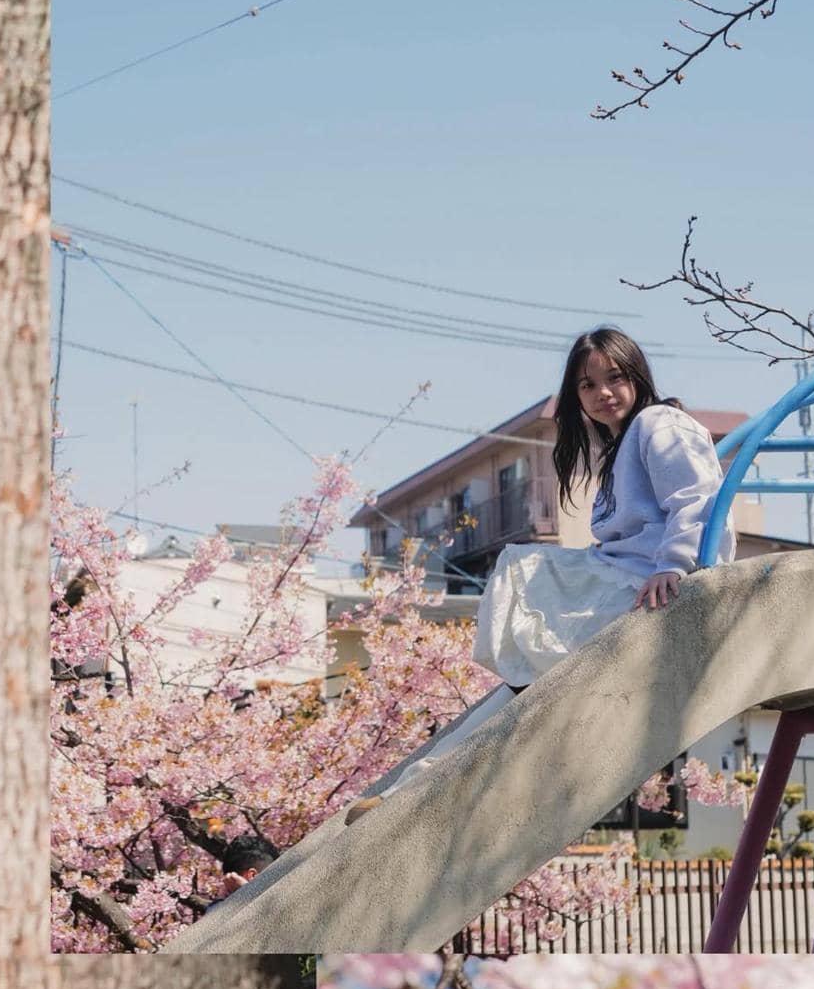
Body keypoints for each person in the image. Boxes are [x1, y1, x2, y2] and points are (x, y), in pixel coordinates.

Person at [344, 327, 736, 825]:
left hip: (649, 585)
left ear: (637, 375)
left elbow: (698, 499)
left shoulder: (661, 423)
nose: (603, 394)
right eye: (587, 386)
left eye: (614, 378)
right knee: (525, 667)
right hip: (623, 576)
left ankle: (418, 785)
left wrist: (674, 565)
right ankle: (417, 783)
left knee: (527, 587)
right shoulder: (616, 447)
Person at [204, 834, 280, 914]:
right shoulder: (217, 912)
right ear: (253, 876)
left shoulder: (216, 912)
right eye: (273, 875)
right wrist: (247, 893)